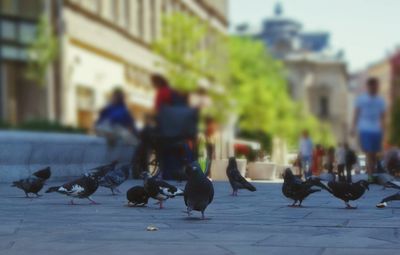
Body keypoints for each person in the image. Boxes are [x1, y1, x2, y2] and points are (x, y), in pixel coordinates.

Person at [352, 77, 386, 182]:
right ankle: (371, 175)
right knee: (369, 152)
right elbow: (356, 113)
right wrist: (353, 127)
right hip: (365, 129)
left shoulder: (380, 101)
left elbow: (383, 116)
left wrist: (384, 130)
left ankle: (371, 172)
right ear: (368, 87)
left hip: (377, 130)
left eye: (376, 86)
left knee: (374, 154)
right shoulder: (361, 99)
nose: (374, 88)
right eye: (372, 86)